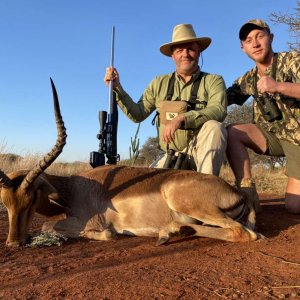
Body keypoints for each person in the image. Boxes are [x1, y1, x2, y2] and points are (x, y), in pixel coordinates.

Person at [104, 23, 227, 176]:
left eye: (190, 49)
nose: (185, 54)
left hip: (199, 154)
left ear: (199, 51)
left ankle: (207, 188)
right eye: (180, 50)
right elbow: (138, 114)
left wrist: (182, 118)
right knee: (146, 187)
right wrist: (117, 88)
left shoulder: (213, 80)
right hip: (169, 156)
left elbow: (219, 110)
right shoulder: (158, 83)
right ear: (172, 55)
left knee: (215, 127)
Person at [226, 19, 300, 213]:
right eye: (249, 40)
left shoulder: (292, 60)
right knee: (231, 132)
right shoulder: (247, 79)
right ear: (243, 48)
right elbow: (221, 99)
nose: (255, 43)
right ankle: (247, 191)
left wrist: (278, 86)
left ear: (271, 37)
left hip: (298, 140)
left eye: (260, 36)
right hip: (273, 137)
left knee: (294, 206)